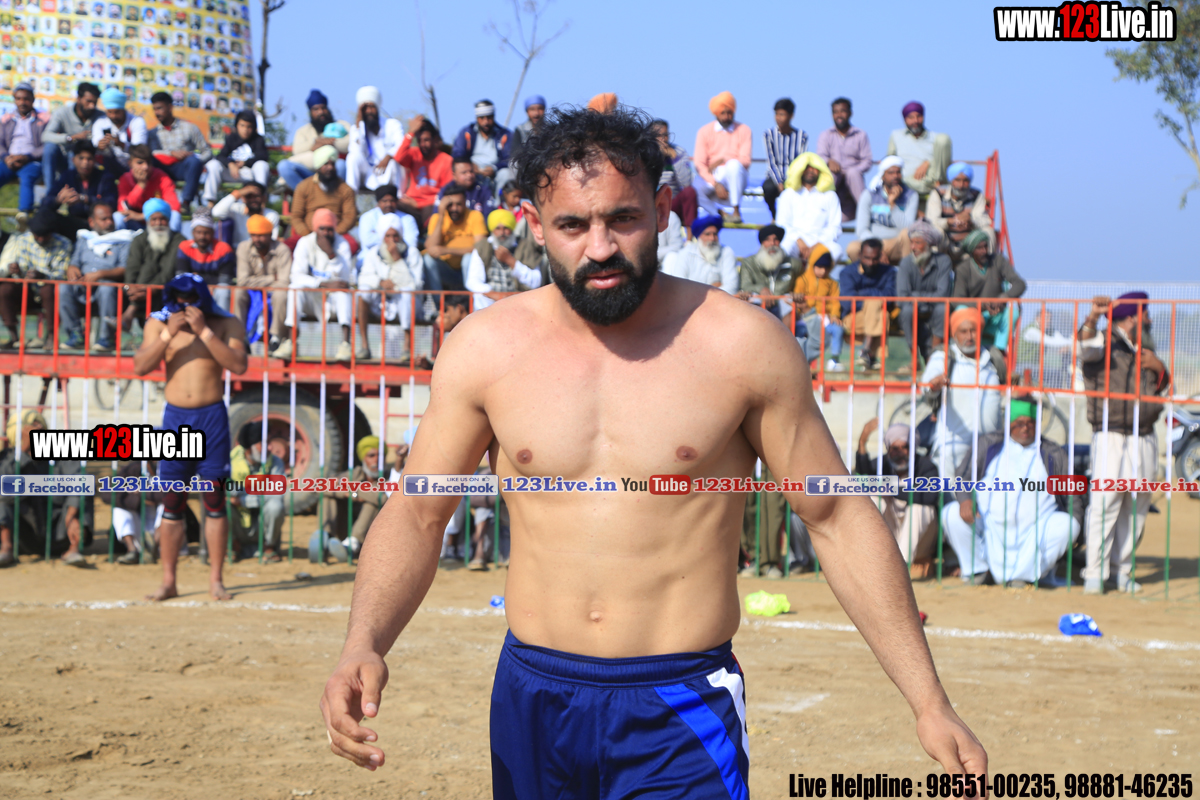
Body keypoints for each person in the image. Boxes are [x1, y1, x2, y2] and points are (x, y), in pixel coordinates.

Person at [319, 105, 987, 793]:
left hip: (682, 704)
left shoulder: (742, 345)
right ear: (535, 225)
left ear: (664, 210)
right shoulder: (485, 350)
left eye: (623, 219)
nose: (600, 247)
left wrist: (928, 700)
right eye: (572, 225)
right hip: (533, 696)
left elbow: (836, 517)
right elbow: (418, 512)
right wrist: (363, 642)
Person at [133, 273, 248, 601]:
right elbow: (140, 366)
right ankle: (169, 581)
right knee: (172, 502)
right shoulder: (158, 322)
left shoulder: (225, 322)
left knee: (214, 499)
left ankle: (216, 580)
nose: (184, 306)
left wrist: (204, 332)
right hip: (176, 419)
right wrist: (168, 334)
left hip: (211, 418)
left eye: (190, 300)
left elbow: (239, 365)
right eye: (179, 300)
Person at [1079, 293, 1169, 595]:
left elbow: (1162, 386)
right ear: (1132, 317)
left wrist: (1159, 367)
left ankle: (1121, 571)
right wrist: (1093, 317)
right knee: (1105, 503)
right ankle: (1095, 573)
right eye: (1145, 315)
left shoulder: (1146, 348)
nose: (1150, 320)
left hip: (1144, 436)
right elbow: (1085, 347)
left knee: (1137, 505)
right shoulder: (1104, 342)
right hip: (1111, 434)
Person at [941, 398, 1083, 587]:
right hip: (988, 528)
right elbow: (963, 476)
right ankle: (979, 571)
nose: (1025, 428)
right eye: (1019, 423)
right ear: (1009, 423)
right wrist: (965, 500)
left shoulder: (1054, 453)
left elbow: (1073, 496)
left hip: (1035, 534)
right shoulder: (988, 444)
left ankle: (1023, 577)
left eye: (1031, 423)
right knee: (950, 513)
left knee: (1068, 524)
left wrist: (1076, 529)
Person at [919, 307, 1003, 476]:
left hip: (990, 449)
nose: (969, 336)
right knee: (951, 492)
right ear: (954, 334)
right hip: (953, 450)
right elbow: (927, 384)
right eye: (963, 331)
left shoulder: (992, 358)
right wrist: (934, 384)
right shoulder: (944, 357)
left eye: (973, 330)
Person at [0, 410, 89, 568]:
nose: (39, 429)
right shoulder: (7, 458)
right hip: (22, 535)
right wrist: (23, 451)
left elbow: (79, 481)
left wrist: (72, 514)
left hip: (60, 532)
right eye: (32, 427)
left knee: (83, 492)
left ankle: (73, 549)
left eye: (40, 426)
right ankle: (6, 548)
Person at [855, 419, 943, 577]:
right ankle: (867, 560)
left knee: (919, 508)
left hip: (922, 541)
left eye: (905, 447)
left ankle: (898, 569)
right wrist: (862, 443)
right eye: (895, 448)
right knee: (874, 499)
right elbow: (862, 479)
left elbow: (930, 497)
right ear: (888, 449)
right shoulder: (882, 464)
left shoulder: (926, 466)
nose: (900, 453)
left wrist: (891, 488)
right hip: (891, 536)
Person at [284, 207, 355, 362]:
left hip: (332, 300)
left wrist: (331, 254)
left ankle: (345, 344)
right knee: (294, 289)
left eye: (330, 229)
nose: (326, 233)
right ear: (316, 228)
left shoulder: (342, 244)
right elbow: (296, 276)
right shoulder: (305, 242)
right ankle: (290, 342)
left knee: (344, 294)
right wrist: (322, 284)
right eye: (322, 229)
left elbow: (343, 282)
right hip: (311, 297)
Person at [60, 202, 130, 351]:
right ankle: (76, 335)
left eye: (111, 218)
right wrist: (72, 268)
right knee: (63, 288)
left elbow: (124, 269)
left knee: (106, 288)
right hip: (83, 287)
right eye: (104, 219)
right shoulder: (84, 238)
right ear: (92, 222)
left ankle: (106, 338)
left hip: (109, 290)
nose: (109, 222)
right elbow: (74, 261)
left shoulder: (123, 240)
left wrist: (100, 274)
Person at [355, 212, 424, 362]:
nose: (392, 240)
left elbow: (414, 284)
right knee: (363, 292)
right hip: (381, 301)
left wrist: (397, 258)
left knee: (407, 293)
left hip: (405, 303)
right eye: (388, 236)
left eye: (395, 236)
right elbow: (363, 278)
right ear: (382, 236)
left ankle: (407, 347)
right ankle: (364, 346)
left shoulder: (412, 253)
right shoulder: (373, 253)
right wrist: (380, 283)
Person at [0, 213, 72, 349]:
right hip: (27, 290)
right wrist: (17, 271)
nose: (40, 239)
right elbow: (20, 271)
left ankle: (51, 336)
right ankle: (14, 337)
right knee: (5, 289)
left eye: (45, 236)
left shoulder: (63, 243)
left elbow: (61, 275)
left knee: (48, 289)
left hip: (49, 291)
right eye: (37, 235)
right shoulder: (22, 240)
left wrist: (43, 276)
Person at [951, 229, 1026, 353]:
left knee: (1013, 313)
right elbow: (957, 300)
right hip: (975, 314)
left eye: (985, 246)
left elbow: (1020, 284)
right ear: (971, 251)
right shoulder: (963, 269)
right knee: (961, 310)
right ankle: (968, 349)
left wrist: (1002, 298)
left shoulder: (998, 261)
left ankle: (998, 351)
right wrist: (983, 305)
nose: (984, 251)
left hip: (997, 314)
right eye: (979, 248)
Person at [464, 208, 543, 311]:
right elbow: (473, 281)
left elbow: (536, 281)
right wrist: (495, 295)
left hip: (518, 298)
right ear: (492, 230)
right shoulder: (483, 247)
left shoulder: (525, 246)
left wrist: (511, 262)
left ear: (512, 228)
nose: (502, 233)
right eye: (498, 228)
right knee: (479, 297)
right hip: (491, 300)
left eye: (506, 228)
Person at [896, 220, 954, 362]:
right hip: (913, 310)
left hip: (934, 310)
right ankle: (914, 359)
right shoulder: (906, 263)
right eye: (911, 243)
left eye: (918, 243)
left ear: (928, 244)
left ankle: (934, 356)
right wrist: (926, 299)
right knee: (907, 310)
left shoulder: (944, 261)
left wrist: (915, 296)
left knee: (943, 308)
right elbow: (902, 297)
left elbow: (943, 295)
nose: (913, 247)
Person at [229, 423, 287, 562]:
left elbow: (277, 493)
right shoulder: (231, 463)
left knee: (275, 506)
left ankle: (269, 547)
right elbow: (228, 494)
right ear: (250, 447)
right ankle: (232, 546)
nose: (270, 448)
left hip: (261, 523)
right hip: (240, 523)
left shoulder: (275, 462)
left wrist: (242, 500)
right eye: (264, 443)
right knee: (223, 506)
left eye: (270, 442)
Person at [124, 199, 186, 328]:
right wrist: (131, 288)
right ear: (148, 221)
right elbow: (132, 267)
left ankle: (132, 309)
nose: (158, 223)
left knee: (150, 268)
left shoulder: (179, 240)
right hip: (140, 292)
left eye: (162, 219)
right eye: (154, 219)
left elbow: (168, 271)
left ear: (168, 220)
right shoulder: (139, 239)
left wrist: (151, 288)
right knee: (148, 267)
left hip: (166, 289)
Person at [235, 214, 290, 356]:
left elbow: (284, 282)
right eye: (253, 235)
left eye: (261, 236)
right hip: (252, 293)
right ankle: (240, 337)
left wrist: (256, 281)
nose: (257, 239)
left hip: (274, 293)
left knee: (281, 295)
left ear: (270, 234)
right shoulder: (243, 248)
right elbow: (242, 281)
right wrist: (272, 278)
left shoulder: (282, 249)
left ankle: (276, 338)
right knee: (239, 293)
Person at [40, 139, 117, 239]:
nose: (85, 163)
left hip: (98, 224)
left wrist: (84, 199)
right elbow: (46, 202)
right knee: (44, 214)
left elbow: (112, 202)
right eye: (81, 158)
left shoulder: (105, 177)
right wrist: (59, 199)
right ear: (73, 160)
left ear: (95, 160)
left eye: (89, 159)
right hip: (74, 223)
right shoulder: (67, 176)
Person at [692, 91, 751, 222]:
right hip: (713, 175)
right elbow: (700, 164)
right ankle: (719, 214)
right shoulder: (704, 132)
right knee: (692, 189)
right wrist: (715, 183)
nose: (726, 117)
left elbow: (745, 161)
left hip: (736, 174)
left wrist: (723, 159)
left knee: (733, 165)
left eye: (729, 113)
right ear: (716, 113)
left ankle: (736, 211)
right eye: (722, 113)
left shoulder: (744, 130)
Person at [146, 90, 210, 210]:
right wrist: (171, 154)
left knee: (194, 162)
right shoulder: (153, 133)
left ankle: (186, 203)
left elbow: (207, 151)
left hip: (184, 169)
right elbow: (151, 153)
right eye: (154, 109)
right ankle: (151, 204)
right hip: (162, 169)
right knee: (149, 162)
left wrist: (195, 159)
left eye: (159, 108)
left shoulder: (189, 128)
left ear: (170, 107)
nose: (157, 113)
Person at [776, 152, 843, 264]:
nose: (810, 171)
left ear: (821, 171)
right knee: (784, 248)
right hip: (795, 242)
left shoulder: (830, 195)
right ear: (799, 170)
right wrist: (799, 241)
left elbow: (835, 227)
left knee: (837, 250)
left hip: (820, 243)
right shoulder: (788, 194)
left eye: (814, 168)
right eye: (806, 167)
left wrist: (818, 244)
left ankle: (814, 273)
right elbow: (782, 223)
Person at [849, 154, 917, 264]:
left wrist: (892, 204)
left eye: (898, 172)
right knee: (852, 248)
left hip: (897, 244)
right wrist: (876, 248)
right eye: (891, 173)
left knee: (906, 233)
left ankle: (907, 273)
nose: (895, 176)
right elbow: (861, 229)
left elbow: (908, 228)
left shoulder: (911, 196)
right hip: (873, 243)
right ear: (883, 176)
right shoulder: (869, 195)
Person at [838, 239, 895, 371]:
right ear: (860, 255)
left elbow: (891, 297)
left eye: (874, 259)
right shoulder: (847, 272)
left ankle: (867, 353)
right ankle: (871, 355)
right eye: (867, 258)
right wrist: (873, 298)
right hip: (852, 320)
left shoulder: (889, 272)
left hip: (876, 319)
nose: (870, 262)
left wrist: (863, 294)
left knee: (882, 314)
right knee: (878, 309)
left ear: (880, 256)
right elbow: (847, 303)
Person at [278, 89, 350, 190]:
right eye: (316, 109)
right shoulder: (303, 131)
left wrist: (331, 143)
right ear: (310, 112)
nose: (321, 112)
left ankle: (335, 197)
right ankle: (307, 196)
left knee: (341, 165)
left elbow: (352, 143)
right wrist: (314, 144)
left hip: (332, 172)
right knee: (284, 166)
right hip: (309, 174)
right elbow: (297, 151)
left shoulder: (341, 125)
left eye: (323, 108)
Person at [816, 97, 872, 222]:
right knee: (831, 174)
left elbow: (867, 161)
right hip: (835, 179)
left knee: (853, 173)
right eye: (835, 112)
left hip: (854, 181)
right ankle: (820, 212)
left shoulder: (860, 135)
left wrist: (852, 170)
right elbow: (820, 157)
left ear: (850, 113)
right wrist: (829, 161)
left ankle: (867, 215)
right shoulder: (825, 135)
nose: (839, 115)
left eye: (842, 111)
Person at [424, 185, 487, 292]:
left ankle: (471, 299)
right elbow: (430, 247)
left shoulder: (475, 216)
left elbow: (481, 249)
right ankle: (438, 301)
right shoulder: (437, 218)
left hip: (469, 271)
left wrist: (447, 250)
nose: (454, 208)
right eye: (450, 205)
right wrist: (441, 215)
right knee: (428, 259)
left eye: (458, 204)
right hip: (447, 271)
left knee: (468, 258)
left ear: (465, 203)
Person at [392, 116, 452, 227]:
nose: (423, 144)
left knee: (433, 212)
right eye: (419, 141)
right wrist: (411, 132)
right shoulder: (414, 154)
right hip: (410, 203)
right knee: (392, 205)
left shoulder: (446, 160)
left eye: (426, 140)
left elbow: (446, 193)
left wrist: (418, 204)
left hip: (432, 204)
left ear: (434, 139)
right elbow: (398, 158)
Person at [927, 162, 994, 261]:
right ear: (951, 181)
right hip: (946, 243)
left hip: (968, 243)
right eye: (957, 180)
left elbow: (984, 221)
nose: (961, 185)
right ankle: (933, 265)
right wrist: (949, 222)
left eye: (965, 181)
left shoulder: (976, 195)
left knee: (988, 231)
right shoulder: (938, 193)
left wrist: (970, 221)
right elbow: (931, 221)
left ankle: (988, 265)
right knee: (936, 231)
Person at [41, 81, 102, 189]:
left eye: (94, 102)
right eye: (88, 101)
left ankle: (79, 195)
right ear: (79, 99)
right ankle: (50, 192)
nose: (92, 106)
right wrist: (70, 138)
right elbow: (45, 136)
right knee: (49, 148)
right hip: (63, 158)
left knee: (78, 156)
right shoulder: (62, 113)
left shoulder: (101, 116)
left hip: (86, 161)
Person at [794, 244, 844, 371]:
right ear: (812, 264)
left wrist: (834, 315)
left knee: (838, 329)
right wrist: (800, 312)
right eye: (819, 267)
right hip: (806, 318)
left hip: (825, 318)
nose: (823, 271)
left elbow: (835, 302)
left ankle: (834, 360)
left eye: (826, 268)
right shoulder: (802, 280)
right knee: (800, 334)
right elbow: (797, 300)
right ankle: (800, 362)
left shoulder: (832, 283)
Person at [289, 145, 358, 238]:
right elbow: (296, 216)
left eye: (332, 164)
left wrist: (334, 235)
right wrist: (308, 235)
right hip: (308, 235)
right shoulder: (303, 187)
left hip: (336, 235)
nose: (330, 167)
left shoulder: (345, 189)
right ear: (318, 166)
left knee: (352, 245)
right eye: (326, 164)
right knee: (289, 245)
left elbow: (350, 217)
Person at [0, 82, 48, 214]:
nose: (22, 102)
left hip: (32, 161)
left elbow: (47, 145)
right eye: (19, 98)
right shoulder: (6, 119)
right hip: (9, 161)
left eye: (26, 99)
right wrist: (6, 157)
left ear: (33, 99)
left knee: (27, 177)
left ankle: (24, 214)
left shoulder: (43, 119)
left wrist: (27, 157)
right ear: (14, 99)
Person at [203, 110, 269, 205]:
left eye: (249, 126)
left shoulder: (258, 139)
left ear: (254, 127)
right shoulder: (231, 138)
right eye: (242, 125)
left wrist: (245, 163)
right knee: (212, 164)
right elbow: (221, 156)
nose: (245, 129)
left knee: (262, 165)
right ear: (236, 125)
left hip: (249, 174)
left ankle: (261, 203)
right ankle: (210, 203)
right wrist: (230, 164)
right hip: (231, 173)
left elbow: (263, 156)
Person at [346, 86, 405, 194]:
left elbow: (401, 144)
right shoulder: (356, 128)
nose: (369, 111)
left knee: (395, 161)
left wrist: (388, 157)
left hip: (388, 169)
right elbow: (355, 151)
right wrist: (359, 125)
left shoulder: (392, 124)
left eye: (372, 107)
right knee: (352, 158)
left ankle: (398, 197)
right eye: (365, 109)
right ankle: (350, 197)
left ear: (377, 108)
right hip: (367, 171)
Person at [887, 101, 953, 196]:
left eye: (919, 116)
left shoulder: (934, 137)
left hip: (931, 178)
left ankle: (940, 186)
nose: (915, 121)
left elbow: (941, 161)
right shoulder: (896, 135)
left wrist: (928, 162)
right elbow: (890, 161)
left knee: (943, 138)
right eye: (911, 117)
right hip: (907, 180)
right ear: (905, 119)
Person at [660, 214, 737, 293]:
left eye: (715, 234)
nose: (712, 238)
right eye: (707, 234)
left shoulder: (726, 253)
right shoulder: (686, 254)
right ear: (699, 236)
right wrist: (714, 289)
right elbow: (680, 287)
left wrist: (696, 291)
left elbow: (731, 287)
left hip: (717, 301)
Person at [176, 209, 235, 310]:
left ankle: (221, 318)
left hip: (216, 292)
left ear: (213, 232)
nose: (202, 236)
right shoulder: (184, 247)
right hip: (193, 291)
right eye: (198, 232)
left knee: (223, 291)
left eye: (206, 233)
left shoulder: (224, 249)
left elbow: (225, 280)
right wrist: (209, 279)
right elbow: (181, 277)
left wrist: (196, 277)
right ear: (192, 232)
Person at [115, 144, 181, 231]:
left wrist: (143, 216)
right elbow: (123, 209)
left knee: (175, 215)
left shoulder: (162, 177)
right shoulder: (125, 179)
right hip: (135, 224)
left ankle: (171, 240)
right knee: (117, 217)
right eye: (140, 163)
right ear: (130, 164)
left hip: (157, 224)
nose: (145, 167)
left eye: (148, 163)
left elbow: (174, 206)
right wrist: (141, 185)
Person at [451, 99, 512, 193]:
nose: (486, 122)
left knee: (506, 174)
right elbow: (458, 154)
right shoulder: (467, 133)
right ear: (477, 118)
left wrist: (494, 168)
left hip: (495, 173)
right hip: (473, 171)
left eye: (489, 118)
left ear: (494, 116)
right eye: (482, 118)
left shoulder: (504, 134)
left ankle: (500, 201)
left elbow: (509, 158)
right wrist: (470, 166)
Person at [761, 97, 807, 219]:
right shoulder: (768, 135)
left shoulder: (802, 136)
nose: (778, 118)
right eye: (777, 114)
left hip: (794, 176)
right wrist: (779, 182)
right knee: (768, 188)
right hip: (774, 175)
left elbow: (801, 162)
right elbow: (771, 162)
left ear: (791, 116)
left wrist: (790, 180)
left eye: (782, 114)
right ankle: (774, 215)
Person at [649, 118, 697, 232]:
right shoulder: (645, 152)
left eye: (665, 135)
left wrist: (674, 158)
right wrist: (657, 157)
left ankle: (690, 236)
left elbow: (686, 183)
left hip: (673, 202)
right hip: (651, 202)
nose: (663, 139)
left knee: (690, 192)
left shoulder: (679, 151)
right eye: (658, 135)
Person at [738, 224, 798, 312]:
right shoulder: (749, 263)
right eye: (767, 240)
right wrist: (761, 289)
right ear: (762, 243)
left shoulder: (793, 264)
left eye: (776, 239)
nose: (772, 243)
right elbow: (745, 286)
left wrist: (796, 294)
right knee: (754, 299)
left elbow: (801, 283)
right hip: (760, 305)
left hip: (781, 305)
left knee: (788, 301)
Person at [91, 86, 147, 173]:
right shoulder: (100, 123)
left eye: (117, 112)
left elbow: (140, 151)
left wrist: (121, 144)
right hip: (108, 167)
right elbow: (95, 142)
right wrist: (100, 145)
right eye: (110, 112)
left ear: (123, 110)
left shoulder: (137, 122)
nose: (113, 116)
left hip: (132, 169)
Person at [212, 180, 281, 246]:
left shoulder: (271, 215)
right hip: (238, 251)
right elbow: (216, 213)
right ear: (243, 198)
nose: (253, 200)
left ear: (264, 198)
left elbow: (272, 240)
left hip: (262, 251)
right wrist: (237, 193)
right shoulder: (237, 210)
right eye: (249, 196)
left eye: (256, 196)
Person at [357, 184, 418, 256]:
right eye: (384, 201)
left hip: (401, 256)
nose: (389, 204)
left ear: (397, 201)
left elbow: (411, 243)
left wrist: (378, 236)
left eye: (392, 201)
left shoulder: (407, 219)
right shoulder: (367, 217)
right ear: (378, 202)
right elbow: (367, 241)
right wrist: (398, 238)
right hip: (370, 257)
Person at [507, 95, 545, 174]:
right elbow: (515, 153)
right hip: (526, 165)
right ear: (527, 112)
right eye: (532, 109)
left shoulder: (551, 129)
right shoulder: (520, 130)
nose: (536, 113)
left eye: (540, 109)